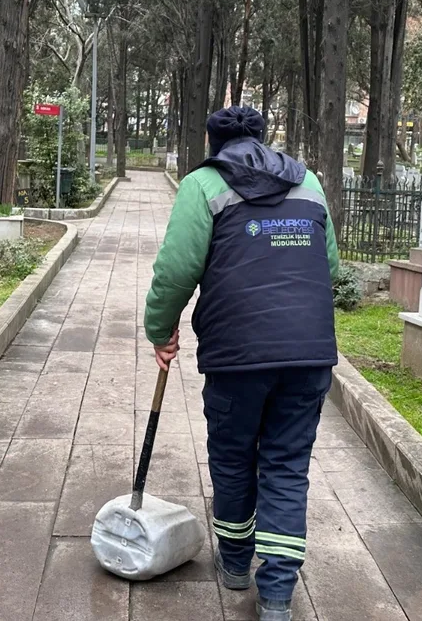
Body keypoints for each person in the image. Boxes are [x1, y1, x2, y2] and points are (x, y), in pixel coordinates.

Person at [143, 106, 340, 621]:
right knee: (287, 464)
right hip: (309, 354)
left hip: (237, 356)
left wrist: (159, 331)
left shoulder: (204, 184)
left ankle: (234, 565)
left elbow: (175, 271)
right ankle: (276, 595)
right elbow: (331, 266)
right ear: (261, 138)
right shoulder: (308, 183)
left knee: (232, 457)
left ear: (213, 142)